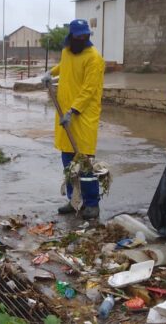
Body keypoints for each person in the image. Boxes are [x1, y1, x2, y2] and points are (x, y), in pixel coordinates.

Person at [41, 19, 105, 220]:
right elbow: (65, 65)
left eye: (85, 36)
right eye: (78, 36)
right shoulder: (67, 50)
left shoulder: (94, 58)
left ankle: (92, 204)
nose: (82, 39)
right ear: (71, 37)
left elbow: (89, 89)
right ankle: (74, 200)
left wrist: (73, 111)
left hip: (82, 117)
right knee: (68, 164)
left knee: (84, 164)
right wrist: (50, 73)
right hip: (64, 115)